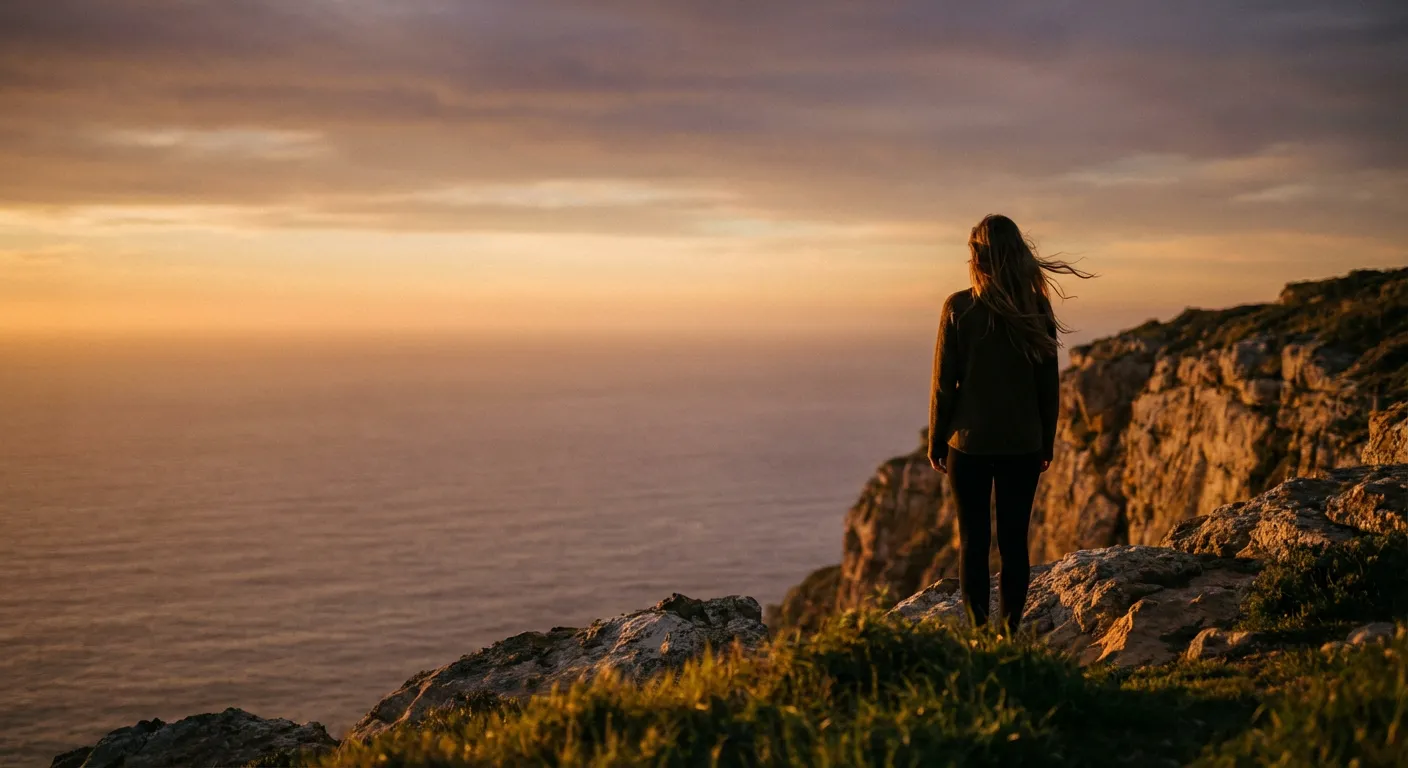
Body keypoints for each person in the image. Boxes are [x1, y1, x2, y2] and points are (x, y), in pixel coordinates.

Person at [927, 213, 1093, 634]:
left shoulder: (959, 307)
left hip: (968, 444)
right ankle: (1008, 634)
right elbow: (1047, 384)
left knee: (974, 545)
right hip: (1023, 444)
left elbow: (945, 383)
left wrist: (936, 439)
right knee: (1015, 545)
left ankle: (980, 638)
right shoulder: (1035, 307)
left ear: (978, 256)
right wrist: (1046, 443)